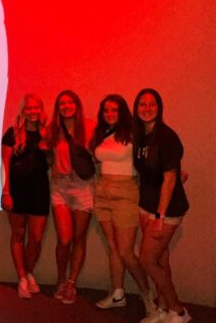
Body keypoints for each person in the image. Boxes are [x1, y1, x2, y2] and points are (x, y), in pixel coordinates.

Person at [91, 94, 156, 316]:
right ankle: (117, 293)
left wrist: (173, 173)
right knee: (113, 247)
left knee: (126, 251)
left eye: (114, 110)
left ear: (122, 112)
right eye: (106, 110)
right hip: (103, 192)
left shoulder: (133, 132)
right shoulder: (101, 133)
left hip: (126, 192)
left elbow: (150, 157)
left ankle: (149, 298)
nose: (110, 114)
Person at [133, 89, 191, 323]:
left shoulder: (167, 136)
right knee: (161, 259)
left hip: (166, 209)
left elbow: (169, 178)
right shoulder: (141, 136)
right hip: (146, 205)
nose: (147, 108)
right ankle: (164, 310)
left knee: (147, 259)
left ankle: (178, 311)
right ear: (136, 109)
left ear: (159, 107)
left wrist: (160, 215)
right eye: (142, 104)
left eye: (152, 104)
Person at [46, 90, 95, 304]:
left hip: (83, 188)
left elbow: (106, 151)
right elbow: (45, 153)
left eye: (70, 102)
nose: (66, 106)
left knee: (79, 238)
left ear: (77, 105)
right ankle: (61, 278)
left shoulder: (90, 126)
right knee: (64, 239)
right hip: (60, 188)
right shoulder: (53, 130)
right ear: (58, 107)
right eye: (62, 103)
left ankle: (72, 283)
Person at [1, 94, 50, 299]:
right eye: (28, 108)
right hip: (16, 190)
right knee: (18, 234)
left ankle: (28, 272)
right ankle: (22, 278)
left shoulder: (47, 134)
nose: (32, 111)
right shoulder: (12, 133)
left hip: (40, 190)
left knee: (36, 239)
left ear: (41, 110)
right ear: (23, 110)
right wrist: (6, 192)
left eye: (36, 107)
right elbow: (4, 164)